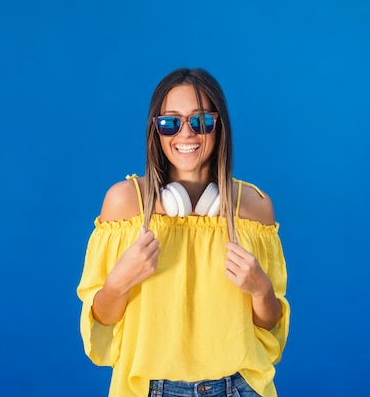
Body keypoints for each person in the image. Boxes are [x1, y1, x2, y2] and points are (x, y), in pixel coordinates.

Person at [77, 68, 290, 397]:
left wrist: (261, 289)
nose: (186, 134)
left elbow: (269, 323)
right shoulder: (124, 205)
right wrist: (118, 282)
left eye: (200, 121)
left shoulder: (254, 207)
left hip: (240, 387)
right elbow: (102, 319)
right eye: (170, 123)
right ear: (156, 131)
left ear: (219, 127)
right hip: (153, 389)